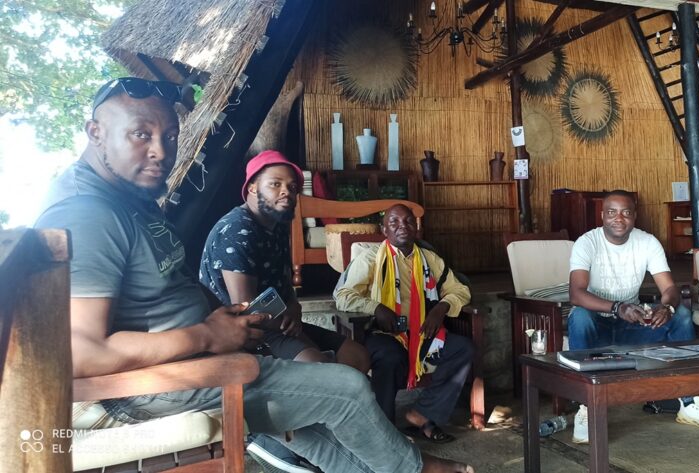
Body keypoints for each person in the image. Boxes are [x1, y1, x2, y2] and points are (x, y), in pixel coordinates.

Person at [35, 77, 472, 473]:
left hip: (200, 356)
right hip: (153, 385)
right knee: (346, 388)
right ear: (95, 132)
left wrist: (232, 322)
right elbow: (81, 353)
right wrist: (209, 336)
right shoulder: (87, 214)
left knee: (315, 412)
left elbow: (183, 287)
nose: (162, 152)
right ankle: (417, 470)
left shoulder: (131, 199)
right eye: (140, 134)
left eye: (169, 136)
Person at [198, 150, 372, 470]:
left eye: (292, 187)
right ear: (252, 187)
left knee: (356, 356)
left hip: (277, 321)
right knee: (324, 374)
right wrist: (287, 319)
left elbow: (284, 286)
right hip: (244, 334)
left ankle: (338, 439)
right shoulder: (238, 229)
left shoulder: (276, 225)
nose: (286, 192)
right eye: (275, 184)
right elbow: (246, 310)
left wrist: (293, 307)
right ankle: (274, 440)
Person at [567, 190, 699, 443]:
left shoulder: (647, 242)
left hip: (633, 325)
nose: (619, 218)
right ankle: (587, 408)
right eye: (612, 212)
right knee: (580, 316)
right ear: (602, 216)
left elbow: (669, 289)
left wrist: (666, 308)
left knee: (681, 315)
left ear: (634, 216)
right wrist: (617, 307)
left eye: (625, 212)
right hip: (598, 326)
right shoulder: (587, 242)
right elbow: (576, 294)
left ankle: (690, 402)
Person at [335, 204, 474, 444]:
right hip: (384, 333)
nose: (403, 226)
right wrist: (376, 308)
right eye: (394, 222)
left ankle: (423, 414)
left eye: (408, 221)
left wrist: (441, 308)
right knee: (390, 357)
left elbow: (460, 290)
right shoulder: (370, 258)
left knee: (463, 348)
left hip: (423, 332)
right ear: (384, 230)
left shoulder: (429, 259)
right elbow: (344, 296)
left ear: (416, 227)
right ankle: (383, 433)